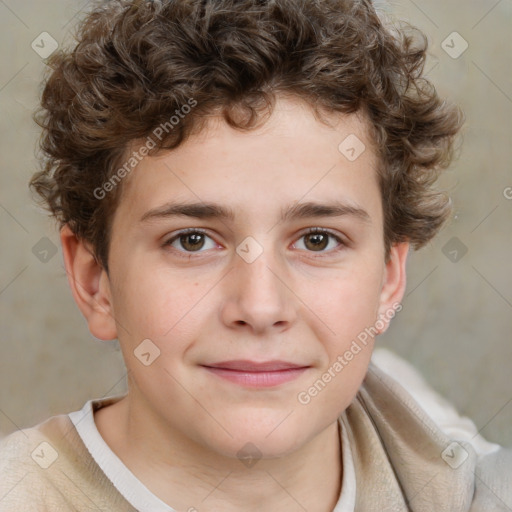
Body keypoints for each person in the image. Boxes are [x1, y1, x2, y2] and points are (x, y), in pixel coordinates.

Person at [0, 0, 510, 510]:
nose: (261, 307)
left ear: (389, 280)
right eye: (192, 240)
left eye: (318, 240)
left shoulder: (464, 485)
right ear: (95, 281)